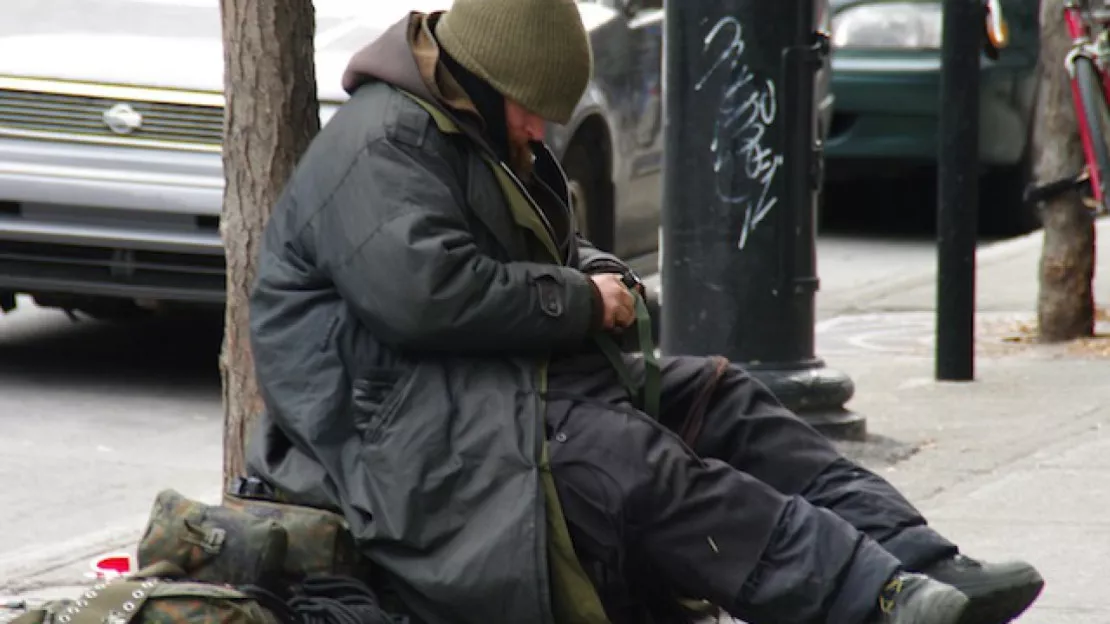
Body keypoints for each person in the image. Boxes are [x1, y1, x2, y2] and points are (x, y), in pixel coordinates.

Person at [244, 0, 1044, 622]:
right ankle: (867, 600)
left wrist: (602, 277)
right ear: (483, 79)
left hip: (484, 394)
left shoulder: (473, 129)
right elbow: (429, 297)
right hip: (397, 441)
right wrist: (583, 301)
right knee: (631, 461)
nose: (538, 128)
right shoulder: (381, 146)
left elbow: (548, 253)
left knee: (719, 397)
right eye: (529, 108)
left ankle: (918, 561)